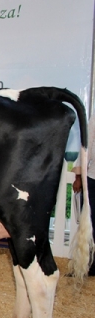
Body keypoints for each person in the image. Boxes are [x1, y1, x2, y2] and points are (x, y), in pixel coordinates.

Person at [71, 118, 95, 277]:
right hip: (93, 178)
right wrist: (79, 175)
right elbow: (86, 146)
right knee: (91, 225)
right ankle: (90, 266)